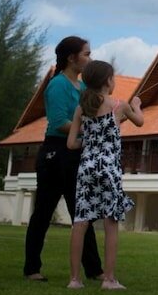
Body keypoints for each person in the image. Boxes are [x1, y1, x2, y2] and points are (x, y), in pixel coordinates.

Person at [23, 36, 103, 282]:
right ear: (72, 58)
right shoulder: (57, 84)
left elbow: (92, 117)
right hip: (55, 153)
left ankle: (94, 270)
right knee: (43, 212)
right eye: (86, 54)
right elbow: (59, 124)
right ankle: (32, 268)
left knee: (82, 212)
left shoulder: (82, 87)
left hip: (76, 151)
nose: (90, 59)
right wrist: (89, 128)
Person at [66, 60, 143, 290]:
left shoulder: (82, 108)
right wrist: (137, 105)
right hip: (109, 170)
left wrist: (89, 143)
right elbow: (140, 121)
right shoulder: (119, 105)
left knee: (80, 222)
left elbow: (71, 144)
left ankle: (74, 279)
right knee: (110, 223)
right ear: (108, 80)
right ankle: (108, 279)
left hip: (86, 169)